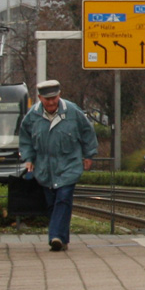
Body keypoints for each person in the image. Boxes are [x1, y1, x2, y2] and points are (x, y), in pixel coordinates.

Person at [19, 79, 98, 252]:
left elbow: (87, 132)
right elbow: (25, 139)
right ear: (40, 98)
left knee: (63, 198)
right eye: (47, 99)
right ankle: (63, 239)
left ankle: (54, 236)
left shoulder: (72, 111)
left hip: (69, 165)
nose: (51, 102)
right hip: (44, 168)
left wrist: (88, 154)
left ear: (59, 95)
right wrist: (29, 158)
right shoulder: (33, 116)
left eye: (54, 98)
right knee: (52, 204)